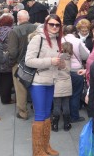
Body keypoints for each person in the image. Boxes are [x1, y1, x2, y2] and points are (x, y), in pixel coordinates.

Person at [25, 14, 63, 156]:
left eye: (57, 25)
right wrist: (50, 61)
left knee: (47, 115)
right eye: (51, 24)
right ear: (46, 24)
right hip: (38, 82)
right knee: (40, 115)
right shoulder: (37, 39)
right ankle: (37, 151)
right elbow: (29, 61)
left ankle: (46, 146)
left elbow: (55, 62)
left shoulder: (58, 40)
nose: (54, 27)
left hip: (51, 81)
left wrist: (61, 63)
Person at [7, 10, 37, 120]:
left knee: (21, 89)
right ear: (28, 18)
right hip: (35, 62)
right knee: (36, 86)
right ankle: (37, 108)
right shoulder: (36, 29)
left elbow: (13, 51)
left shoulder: (15, 31)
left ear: (18, 19)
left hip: (20, 63)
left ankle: (23, 112)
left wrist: (12, 62)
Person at [62, 25, 90, 123]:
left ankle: (65, 115)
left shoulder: (60, 41)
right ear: (75, 32)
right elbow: (86, 55)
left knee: (65, 94)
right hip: (77, 70)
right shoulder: (78, 41)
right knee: (76, 94)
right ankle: (74, 116)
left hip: (63, 70)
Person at [51, 42, 73, 132]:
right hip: (67, 84)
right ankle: (66, 124)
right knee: (66, 105)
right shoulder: (69, 58)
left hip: (57, 85)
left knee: (56, 106)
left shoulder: (57, 59)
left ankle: (55, 125)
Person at [0, 14, 16, 104]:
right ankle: (6, 99)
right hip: (7, 57)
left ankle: (2, 96)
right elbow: (11, 46)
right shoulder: (11, 31)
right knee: (7, 79)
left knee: (1, 78)